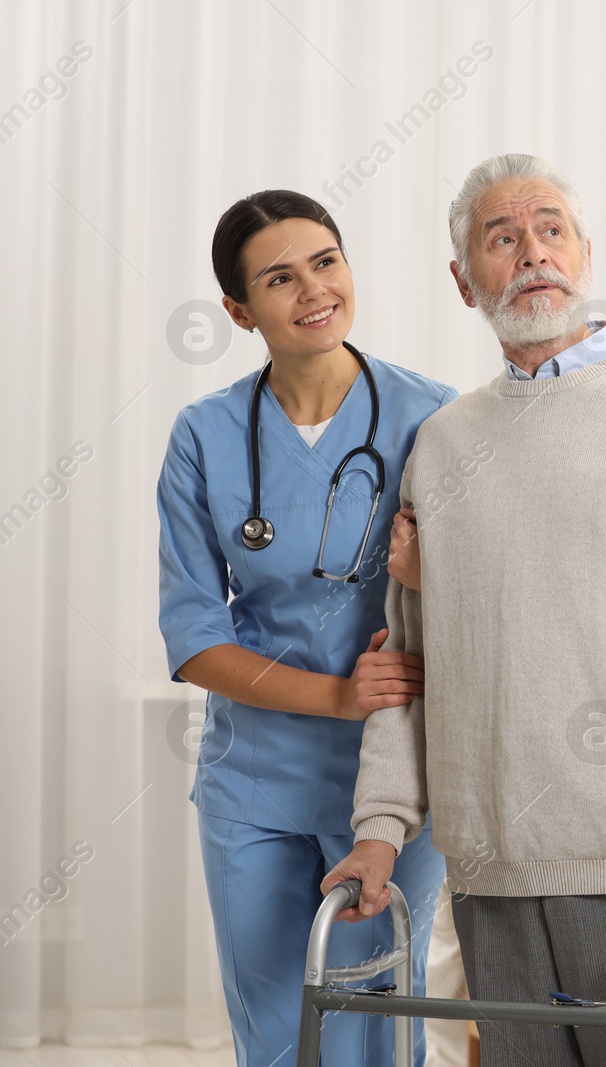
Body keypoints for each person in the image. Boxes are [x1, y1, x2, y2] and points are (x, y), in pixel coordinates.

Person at [321, 152, 606, 1067]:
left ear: (585, 253)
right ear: (464, 281)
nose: (531, 251)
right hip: (490, 870)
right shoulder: (444, 445)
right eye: (501, 237)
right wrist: (379, 828)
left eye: (550, 229)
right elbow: (410, 657)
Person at [156, 190, 452, 1066]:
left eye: (326, 262)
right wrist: (337, 693)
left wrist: (430, 577)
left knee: (381, 1032)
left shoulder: (435, 418)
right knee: (281, 1034)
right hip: (255, 785)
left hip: (393, 788)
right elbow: (193, 636)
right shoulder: (204, 436)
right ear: (240, 311)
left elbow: (490, 596)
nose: (313, 290)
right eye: (279, 278)